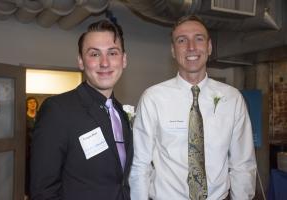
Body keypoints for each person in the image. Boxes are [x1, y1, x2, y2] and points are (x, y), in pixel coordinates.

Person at [129, 15, 257, 200]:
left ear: (209, 47)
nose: (191, 47)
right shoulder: (153, 98)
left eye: (199, 39)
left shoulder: (233, 99)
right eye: (182, 40)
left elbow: (242, 165)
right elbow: (140, 164)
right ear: (173, 50)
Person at [30, 19, 133, 200]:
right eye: (94, 54)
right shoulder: (58, 111)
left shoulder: (121, 114)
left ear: (124, 60)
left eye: (113, 53)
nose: (104, 63)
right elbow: (43, 192)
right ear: (80, 61)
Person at [25, 96, 39, 199]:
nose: (32, 104)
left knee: (37, 169)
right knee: (27, 171)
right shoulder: (24, 117)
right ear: (27, 104)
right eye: (30, 102)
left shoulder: (40, 115)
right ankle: (27, 192)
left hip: (39, 147)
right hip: (27, 148)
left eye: (34, 102)